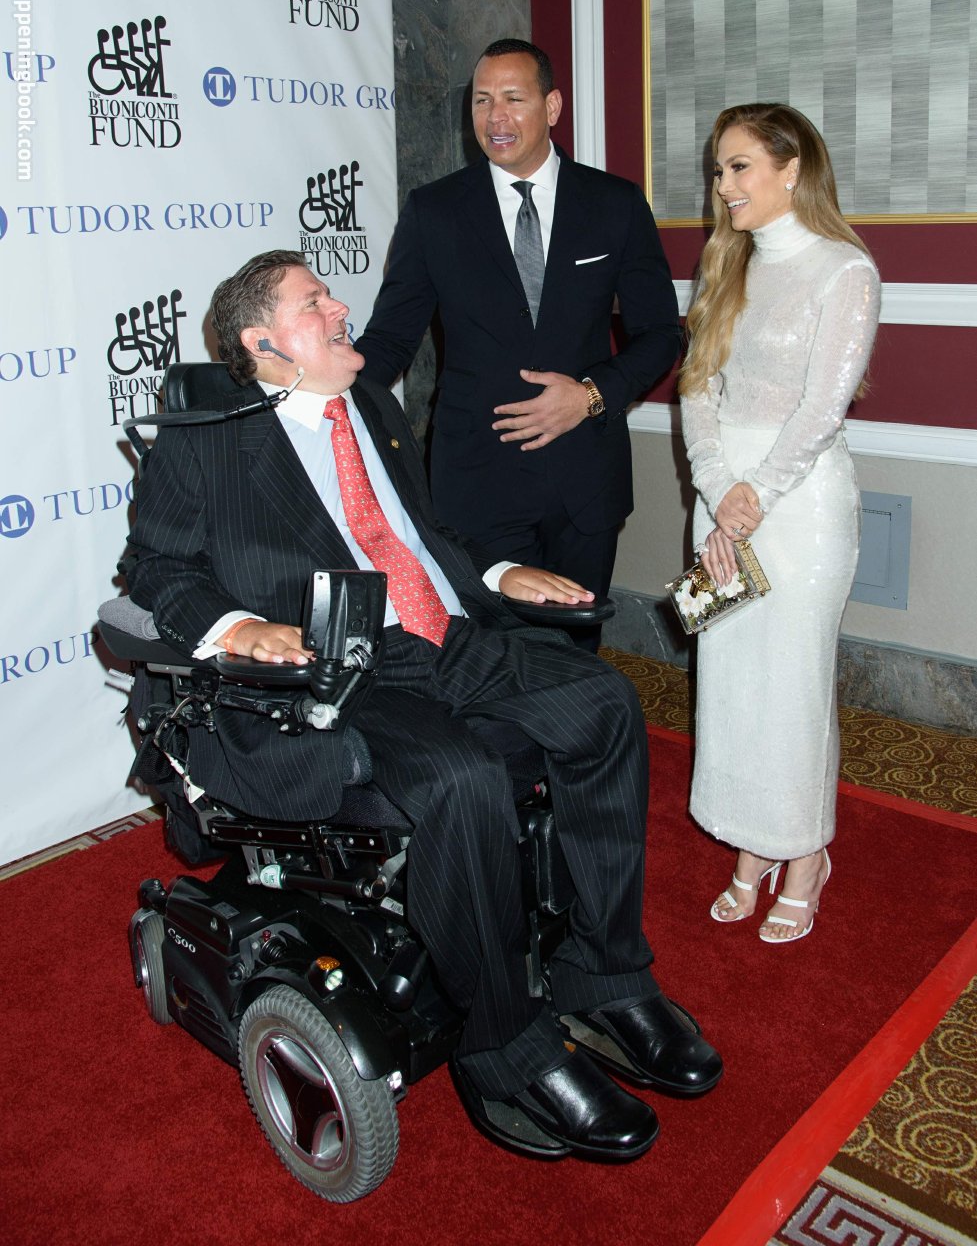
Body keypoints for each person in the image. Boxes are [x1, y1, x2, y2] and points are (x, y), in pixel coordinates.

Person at [126, 249, 722, 1163]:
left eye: (331, 293)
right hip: (343, 667)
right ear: (262, 343)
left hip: (445, 634)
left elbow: (421, 533)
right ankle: (505, 1051)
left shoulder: (370, 404)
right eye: (313, 302)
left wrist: (496, 571)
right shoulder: (204, 442)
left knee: (603, 701)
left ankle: (603, 975)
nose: (339, 308)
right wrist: (237, 626)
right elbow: (157, 569)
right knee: (461, 777)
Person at [355, 38, 681, 651]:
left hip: (585, 478)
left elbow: (661, 333)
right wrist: (324, 391)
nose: (495, 117)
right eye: (481, 101)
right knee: (490, 658)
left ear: (552, 106)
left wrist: (589, 395)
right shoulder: (435, 211)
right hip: (476, 480)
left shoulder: (614, 204)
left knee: (575, 657)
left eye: (512, 98)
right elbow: (391, 339)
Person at [678, 104, 881, 943]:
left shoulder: (843, 270)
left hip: (798, 506)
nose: (722, 185)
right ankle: (749, 843)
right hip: (719, 501)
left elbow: (821, 409)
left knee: (792, 687)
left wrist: (753, 493)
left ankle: (803, 856)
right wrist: (717, 486)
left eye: (738, 167)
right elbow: (697, 390)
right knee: (730, 683)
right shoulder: (724, 266)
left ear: (790, 170)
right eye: (718, 170)